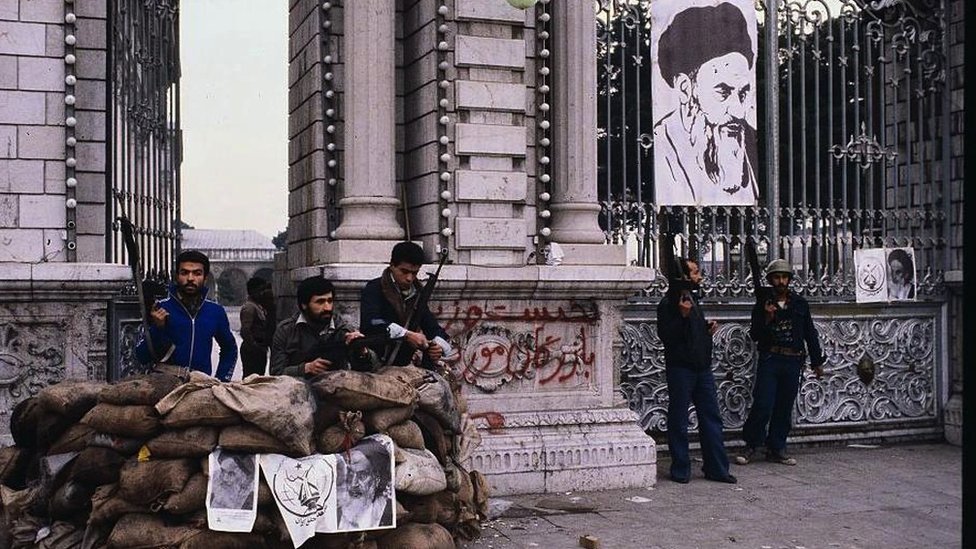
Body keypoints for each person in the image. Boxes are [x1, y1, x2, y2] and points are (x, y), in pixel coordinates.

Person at [653, 2, 759, 206]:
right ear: (685, 89)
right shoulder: (658, 145)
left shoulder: (748, 137)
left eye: (744, 93)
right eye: (723, 91)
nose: (738, 111)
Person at [736, 259, 826, 466]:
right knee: (763, 404)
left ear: (789, 280)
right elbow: (755, 334)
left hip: (793, 360)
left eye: (784, 277)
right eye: (777, 277)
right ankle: (752, 444)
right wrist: (767, 318)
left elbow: (809, 333)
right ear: (770, 280)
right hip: (771, 358)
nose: (781, 281)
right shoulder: (763, 304)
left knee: (784, 406)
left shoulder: (800, 304)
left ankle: (776, 447)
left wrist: (817, 361)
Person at [657, 257, 736, 484]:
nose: (699, 276)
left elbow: (691, 333)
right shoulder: (668, 304)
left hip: (702, 367)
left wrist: (705, 328)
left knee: (711, 418)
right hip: (681, 368)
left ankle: (717, 468)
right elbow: (667, 336)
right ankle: (681, 469)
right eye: (694, 272)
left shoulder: (693, 299)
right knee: (679, 419)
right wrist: (681, 316)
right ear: (682, 276)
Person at [135, 250, 237, 381]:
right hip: (165, 385)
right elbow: (141, 356)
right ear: (176, 276)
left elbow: (230, 349)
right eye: (184, 273)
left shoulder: (215, 311)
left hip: (200, 386)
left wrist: (222, 380)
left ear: (205, 278)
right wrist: (158, 328)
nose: (190, 278)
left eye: (197, 273)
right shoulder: (159, 309)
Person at [360, 241, 451, 368]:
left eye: (414, 273)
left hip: (402, 367)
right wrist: (406, 335)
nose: (409, 278)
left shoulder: (417, 294)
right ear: (392, 265)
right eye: (404, 271)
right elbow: (371, 322)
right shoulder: (374, 288)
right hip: (373, 363)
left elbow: (433, 327)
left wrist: (437, 346)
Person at [270, 276, 373, 377]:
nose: (327, 308)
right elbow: (276, 372)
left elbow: (370, 369)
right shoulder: (286, 331)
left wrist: (362, 352)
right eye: (320, 302)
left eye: (330, 301)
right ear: (304, 305)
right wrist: (305, 368)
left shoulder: (343, 329)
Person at [337, 438, 393, 530]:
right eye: (350, 473)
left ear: (377, 477)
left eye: (362, 476)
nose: (353, 483)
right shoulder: (337, 508)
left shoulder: (385, 512)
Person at [239, 277, 275, 377]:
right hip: (252, 350)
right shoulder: (249, 307)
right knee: (251, 379)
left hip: (258, 348)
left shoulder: (258, 306)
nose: (262, 293)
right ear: (253, 291)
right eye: (260, 290)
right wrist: (255, 346)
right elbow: (245, 330)